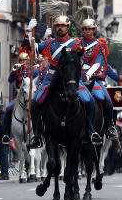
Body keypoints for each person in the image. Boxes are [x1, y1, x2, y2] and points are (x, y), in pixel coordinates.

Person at [24, 14, 100, 149]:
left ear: (68, 27)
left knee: (90, 101)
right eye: (58, 26)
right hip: (51, 78)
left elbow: (85, 56)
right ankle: (37, 135)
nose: (60, 28)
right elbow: (31, 48)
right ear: (55, 28)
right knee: (36, 102)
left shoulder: (76, 43)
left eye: (63, 25)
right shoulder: (48, 43)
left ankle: (90, 132)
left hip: (71, 79)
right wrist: (29, 31)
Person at [78, 18, 118, 140]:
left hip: (94, 79)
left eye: (90, 29)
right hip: (78, 78)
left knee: (107, 100)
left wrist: (88, 75)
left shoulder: (100, 45)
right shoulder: (76, 44)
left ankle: (110, 126)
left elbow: (98, 63)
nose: (87, 31)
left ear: (94, 30)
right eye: (85, 29)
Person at [0, 104, 9, 181]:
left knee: (3, 156)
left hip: (3, 139)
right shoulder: (4, 116)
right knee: (4, 156)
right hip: (4, 139)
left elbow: (2, 128)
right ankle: (4, 173)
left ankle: (4, 174)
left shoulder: (1, 117)